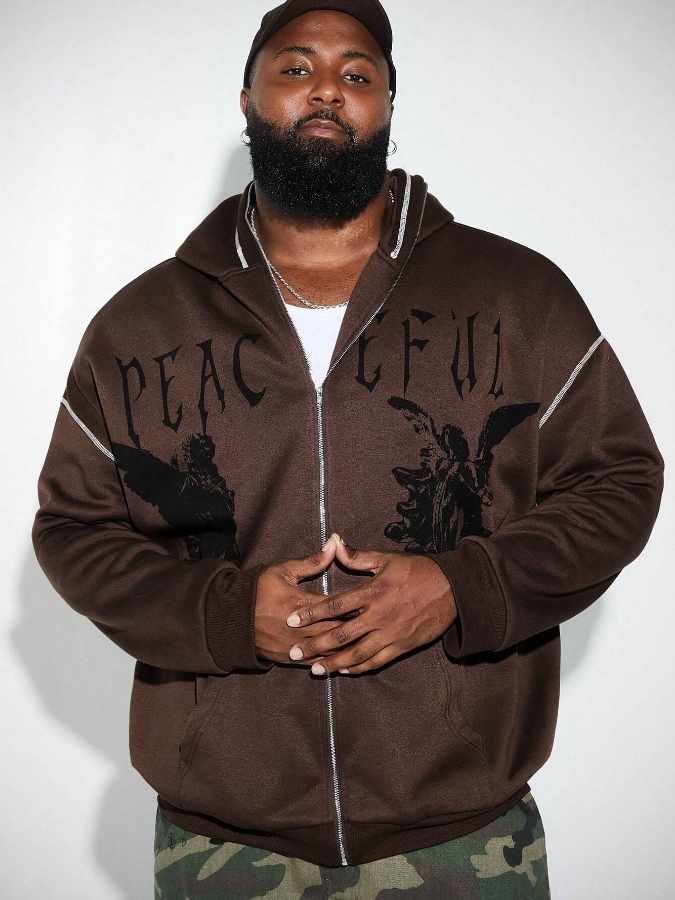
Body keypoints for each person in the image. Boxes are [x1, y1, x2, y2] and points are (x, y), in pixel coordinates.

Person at [32, 0, 663, 897]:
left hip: (464, 836)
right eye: (295, 68)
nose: (326, 89)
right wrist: (224, 614)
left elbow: (619, 479)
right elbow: (73, 530)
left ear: (388, 106)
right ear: (247, 99)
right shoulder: (141, 325)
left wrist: (461, 587)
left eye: (357, 74)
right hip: (223, 845)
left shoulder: (517, 294)